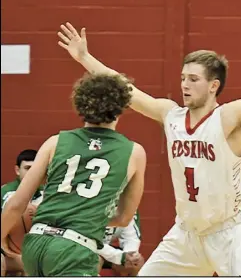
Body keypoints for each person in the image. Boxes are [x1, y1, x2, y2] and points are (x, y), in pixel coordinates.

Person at [58, 21, 241, 276]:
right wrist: (84, 57)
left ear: (213, 85)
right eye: (183, 78)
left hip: (228, 232)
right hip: (187, 233)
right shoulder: (170, 114)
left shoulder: (229, 117)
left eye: (193, 79)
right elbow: (127, 91)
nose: (184, 84)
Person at [1, 73, 147, 276]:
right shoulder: (134, 152)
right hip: (74, 249)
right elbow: (123, 218)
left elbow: (17, 203)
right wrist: (83, 216)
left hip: (35, 243)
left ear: (81, 104)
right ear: (122, 106)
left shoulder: (55, 142)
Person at [1, 149, 44, 276]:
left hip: (37, 248)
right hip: (7, 250)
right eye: (27, 168)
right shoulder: (7, 193)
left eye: (34, 168)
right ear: (17, 170)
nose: (31, 173)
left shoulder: (46, 193)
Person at [98, 212, 144, 276]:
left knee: (137, 262)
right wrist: (120, 257)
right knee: (96, 259)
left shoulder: (128, 206)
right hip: (86, 248)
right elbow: (90, 242)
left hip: (108, 250)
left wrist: (129, 258)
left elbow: (131, 238)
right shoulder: (92, 206)